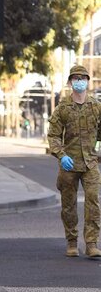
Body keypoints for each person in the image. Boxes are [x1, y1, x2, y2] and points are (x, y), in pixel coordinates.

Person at [48, 65, 101, 258]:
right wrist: (61, 155)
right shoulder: (62, 108)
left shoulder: (96, 106)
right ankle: (71, 242)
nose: (79, 81)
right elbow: (53, 135)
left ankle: (92, 243)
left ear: (87, 81)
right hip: (68, 165)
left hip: (90, 163)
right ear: (70, 82)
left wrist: (99, 150)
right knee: (68, 205)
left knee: (93, 202)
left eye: (83, 78)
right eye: (75, 78)